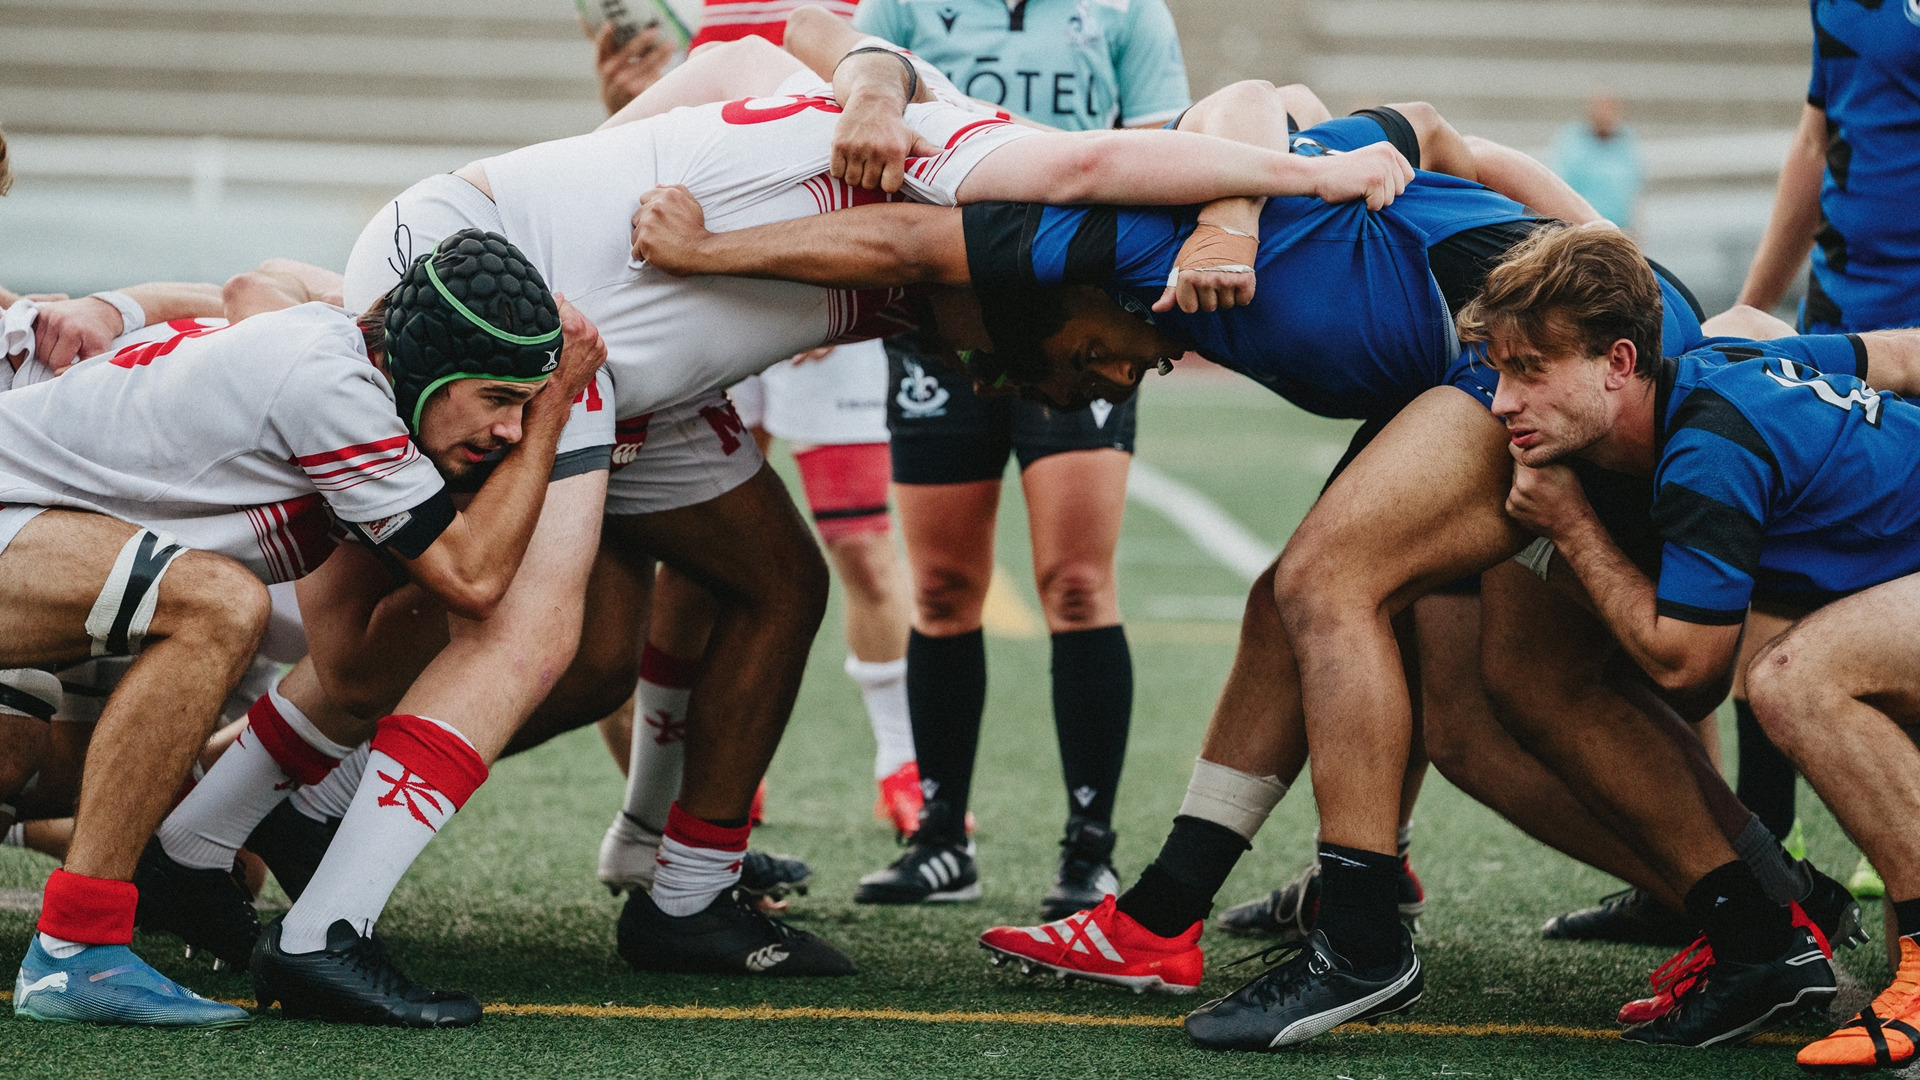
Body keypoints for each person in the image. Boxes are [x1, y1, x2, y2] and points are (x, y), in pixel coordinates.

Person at [142, 36, 1408, 1015]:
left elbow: (785, 76)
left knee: (765, 583)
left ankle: (672, 890)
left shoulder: (938, 196)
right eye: (1136, 345)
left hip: (583, 328)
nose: (1129, 370)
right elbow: (1063, 163)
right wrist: (1314, 176)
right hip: (529, 310)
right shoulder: (998, 175)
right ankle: (316, 927)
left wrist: (758, 138)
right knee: (525, 629)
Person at [8, 228, 604, 1028]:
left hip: (64, 535)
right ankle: (76, 949)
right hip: (25, 523)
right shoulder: (331, 384)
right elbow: (473, 579)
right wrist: (559, 408)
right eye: (498, 400)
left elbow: (259, 285)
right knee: (218, 606)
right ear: (426, 370)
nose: (510, 429)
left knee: (74, 761)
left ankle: (145, 878)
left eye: (524, 406)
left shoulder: (345, 352)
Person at [1467, 222, 1920, 1055]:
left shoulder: (1706, 449)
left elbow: (1690, 674)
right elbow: (1899, 356)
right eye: (1500, 372)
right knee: (1901, 945)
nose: (1502, 402)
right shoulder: (1726, 364)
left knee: (1794, 679)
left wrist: (1570, 528)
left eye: (1530, 370)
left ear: (1620, 364)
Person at [845, 0, 1192, 916]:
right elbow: (851, 112)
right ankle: (942, 837)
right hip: (943, 316)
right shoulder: (901, 5)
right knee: (944, 589)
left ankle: (1089, 851)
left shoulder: (1128, 11)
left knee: (1077, 584)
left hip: (1074, 317)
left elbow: (1160, 155)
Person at [1717, 0, 1920, 906]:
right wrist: (1757, 311)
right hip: (1840, 331)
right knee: (1771, 561)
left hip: (1912, 352)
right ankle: (1765, 861)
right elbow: (1818, 141)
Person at [1550, 94, 1641, 230]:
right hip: (1582, 227)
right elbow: (1559, 184)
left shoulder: (1625, 144)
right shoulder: (1573, 143)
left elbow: (1633, 192)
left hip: (1619, 226)